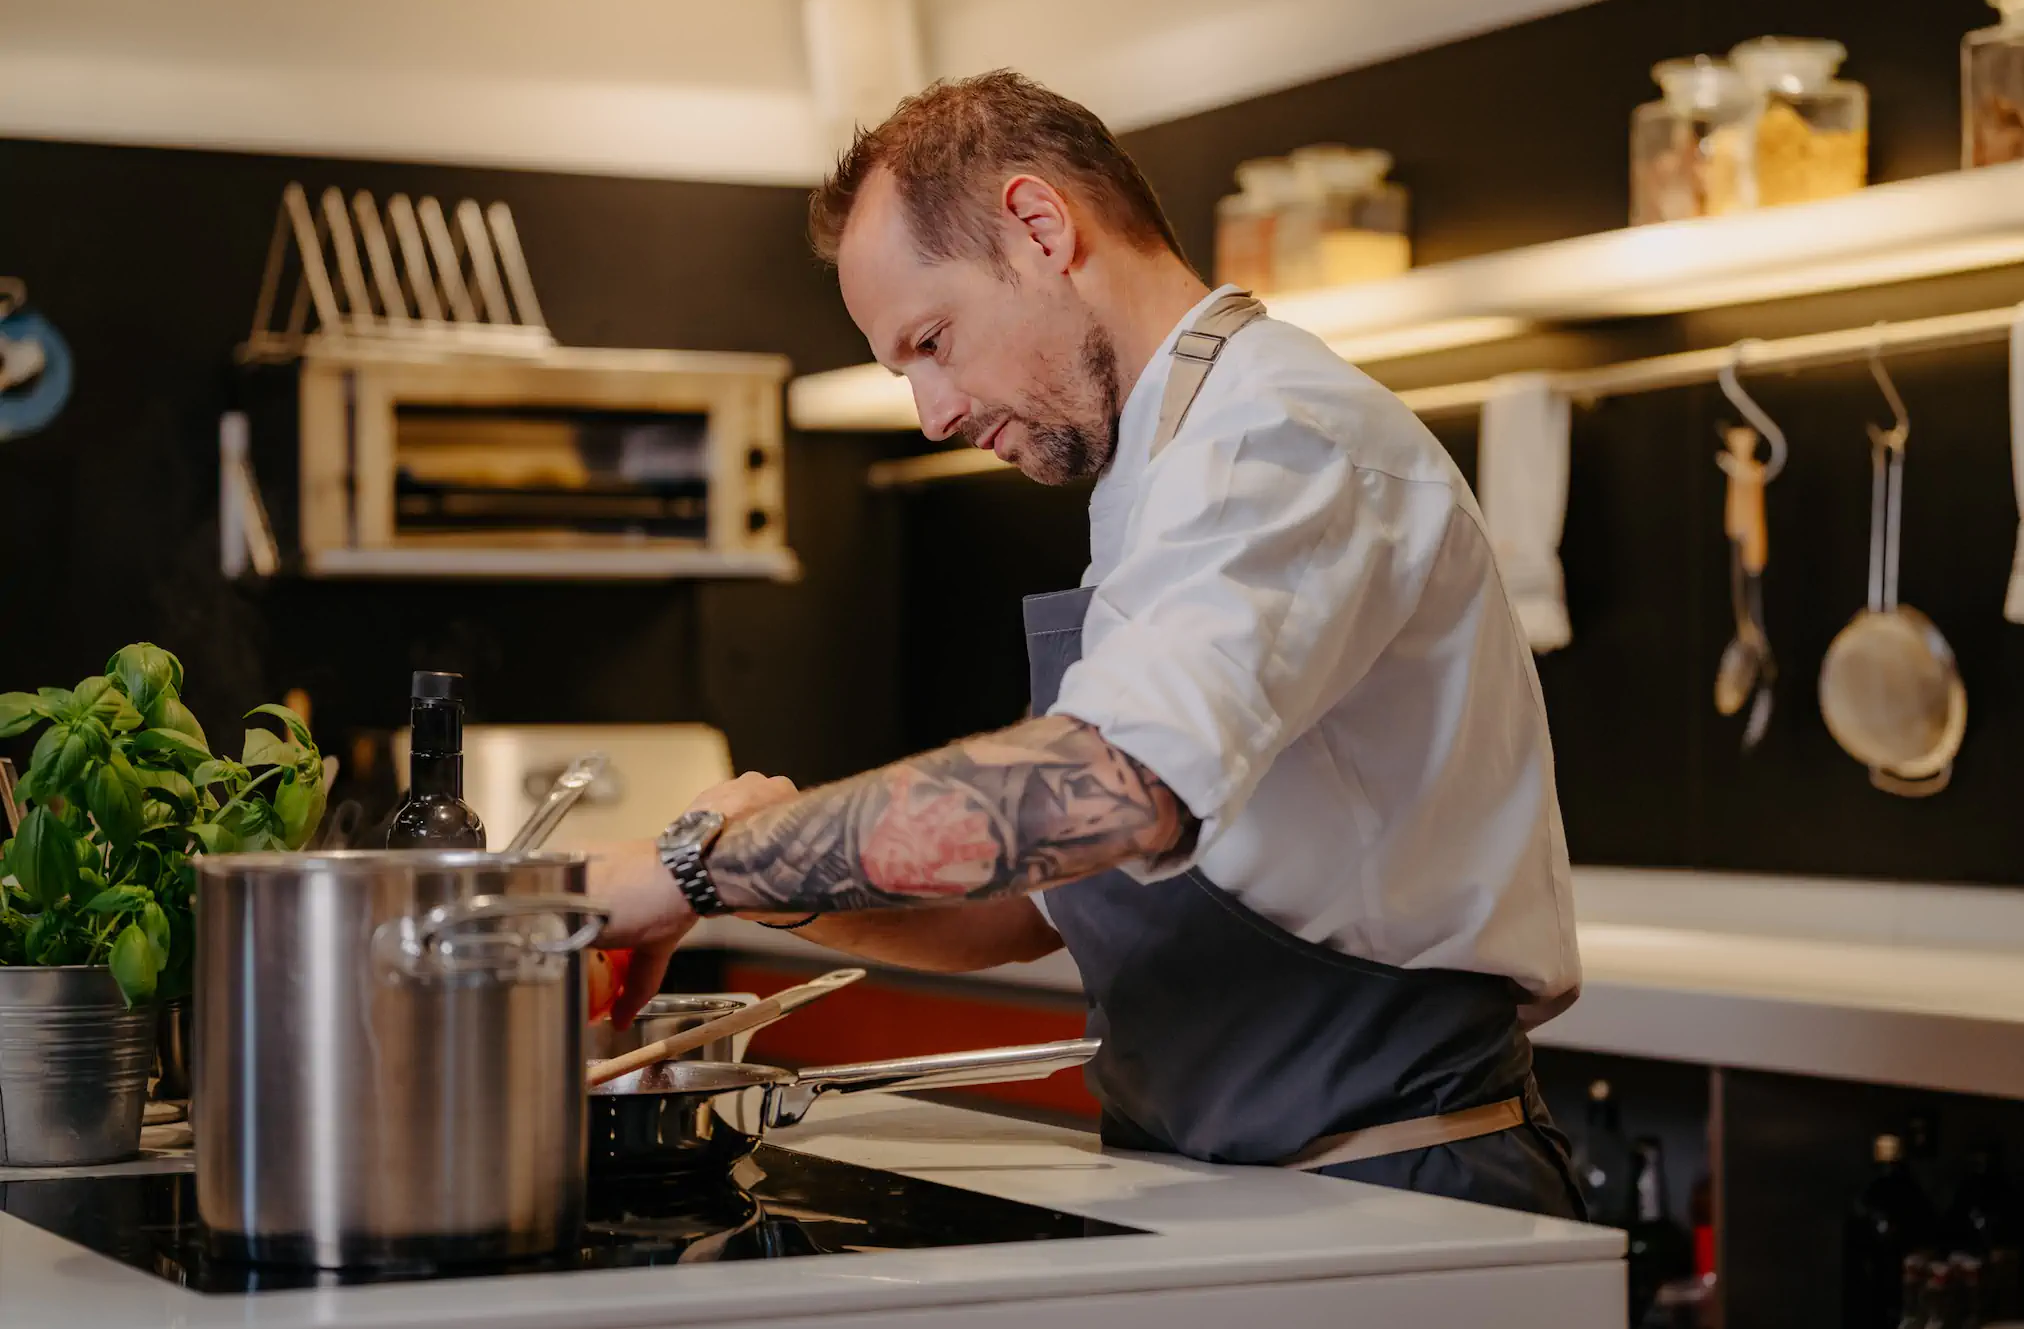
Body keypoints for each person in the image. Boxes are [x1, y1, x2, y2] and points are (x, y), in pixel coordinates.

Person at [588, 70, 1584, 1218]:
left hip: (1395, 1190)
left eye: (932, 341)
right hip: (1227, 1191)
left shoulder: (1277, 436)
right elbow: (1026, 906)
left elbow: (1100, 794)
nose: (933, 413)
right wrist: (767, 883)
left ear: (1038, 227)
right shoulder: (1160, 471)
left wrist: (688, 865)